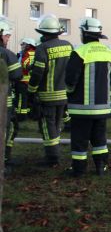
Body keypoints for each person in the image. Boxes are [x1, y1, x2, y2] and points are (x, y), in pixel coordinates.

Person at [65, 18, 111, 177]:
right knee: (99, 139)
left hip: (81, 108)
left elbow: (70, 79)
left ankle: (79, 170)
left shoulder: (79, 52)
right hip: (103, 107)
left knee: (80, 140)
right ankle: (101, 167)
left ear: (84, 33)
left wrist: (69, 93)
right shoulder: (109, 52)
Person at [27, 15, 73, 166]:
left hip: (47, 96)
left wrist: (31, 91)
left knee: (48, 126)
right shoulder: (68, 45)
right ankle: (55, 153)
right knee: (57, 124)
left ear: (43, 33)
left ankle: (52, 158)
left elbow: (38, 73)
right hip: (64, 95)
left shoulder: (43, 48)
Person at [0, 17, 23, 168]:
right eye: (7, 36)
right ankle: (4, 158)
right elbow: (16, 75)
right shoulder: (7, 54)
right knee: (7, 129)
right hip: (4, 102)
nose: (8, 39)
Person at [13, 38, 36, 141]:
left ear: (28, 45)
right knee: (31, 99)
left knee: (21, 99)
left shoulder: (27, 53)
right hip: (32, 81)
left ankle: (21, 116)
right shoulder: (36, 52)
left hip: (23, 81)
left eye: (24, 44)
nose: (22, 46)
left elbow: (25, 65)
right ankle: (32, 115)